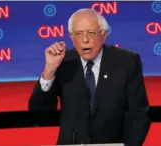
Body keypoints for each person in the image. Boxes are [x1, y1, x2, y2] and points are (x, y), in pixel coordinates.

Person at [28, 8, 150, 146]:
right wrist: (49, 70)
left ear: (104, 35)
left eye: (91, 33)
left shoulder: (126, 61)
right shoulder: (63, 62)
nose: (85, 40)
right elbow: (38, 112)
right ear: (71, 37)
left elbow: (138, 114)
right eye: (79, 34)